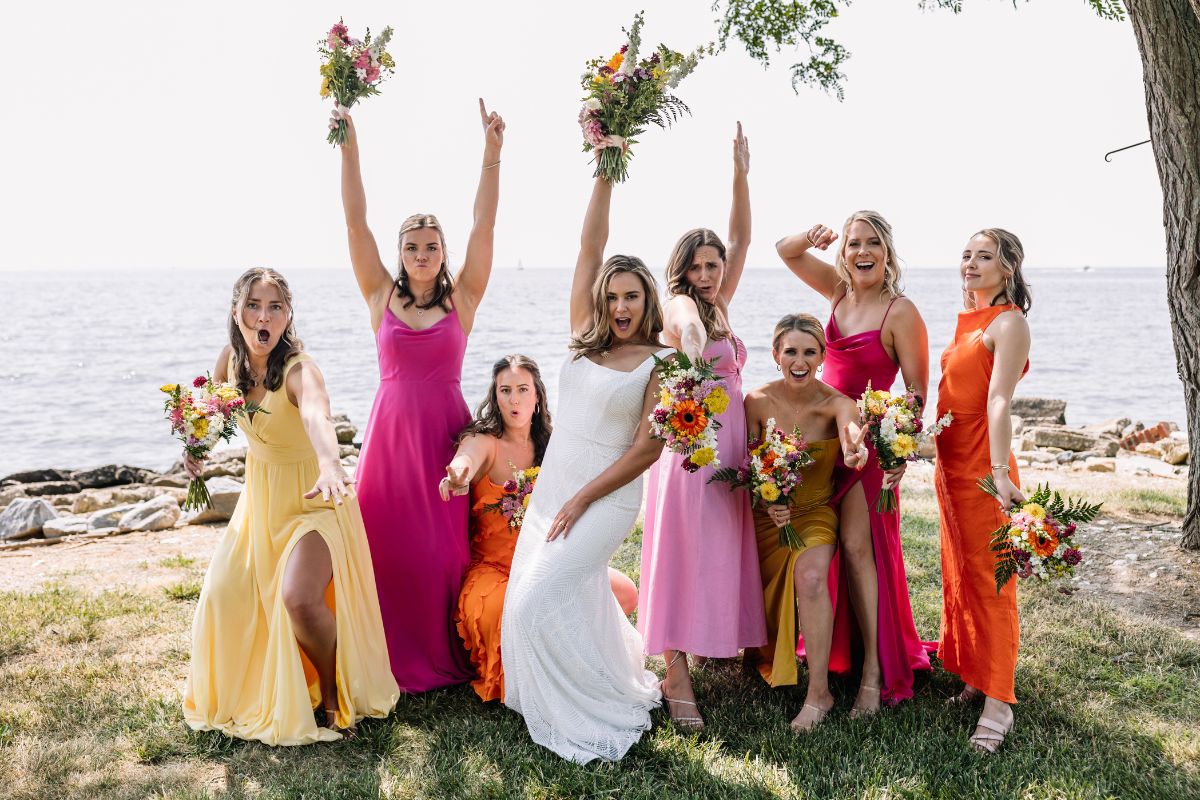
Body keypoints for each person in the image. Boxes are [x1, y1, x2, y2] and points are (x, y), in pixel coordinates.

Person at [183, 268, 398, 744]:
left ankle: (329, 693)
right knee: (220, 594)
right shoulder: (229, 364)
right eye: (254, 306)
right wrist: (195, 452)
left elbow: (317, 415)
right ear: (236, 313)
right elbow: (206, 414)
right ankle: (256, 688)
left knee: (299, 598)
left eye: (275, 307)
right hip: (260, 503)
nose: (264, 316)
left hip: (315, 501)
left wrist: (330, 463)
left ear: (287, 316)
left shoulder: (300, 369)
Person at [501, 162, 671, 763]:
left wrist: (581, 499)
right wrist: (607, 170)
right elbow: (589, 245)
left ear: (647, 298)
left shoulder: (663, 363)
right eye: (612, 295)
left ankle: (590, 705)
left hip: (606, 495)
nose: (620, 305)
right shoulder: (583, 337)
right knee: (552, 596)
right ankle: (587, 678)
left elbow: (648, 449)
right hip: (555, 487)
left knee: (536, 600)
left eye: (632, 295)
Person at [333, 99, 504, 691]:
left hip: (443, 437)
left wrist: (491, 155)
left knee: (441, 550)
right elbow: (357, 224)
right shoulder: (379, 295)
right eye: (413, 247)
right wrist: (348, 143)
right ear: (401, 254)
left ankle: (443, 648)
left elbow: (484, 226)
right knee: (382, 544)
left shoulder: (464, 300)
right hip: (389, 437)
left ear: (443, 253)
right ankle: (379, 655)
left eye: (432, 246)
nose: (422, 255)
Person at [776, 213, 932, 713]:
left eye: (872, 244)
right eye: (852, 244)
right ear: (842, 253)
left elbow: (915, 394)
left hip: (868, 449)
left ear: (887, 252)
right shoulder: (838, 293)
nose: (862, 252)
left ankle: (873, 674)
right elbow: (787, 250)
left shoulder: (900, 311)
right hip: (823, 444)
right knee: (822, 549)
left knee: (859, 550)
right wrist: (812, 235)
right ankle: (836, 655)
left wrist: (897, 452)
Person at [638, 123, 766, 732]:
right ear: (682, 270)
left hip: (731, 448)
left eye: (714, 265)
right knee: (685, 551)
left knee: (719, 547)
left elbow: (741, 238)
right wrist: (690, 352)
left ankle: (720, 641)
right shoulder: (683, 305)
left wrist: (740, 173)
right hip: (694, 447)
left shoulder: (722, 301)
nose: (709, 272)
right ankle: (675, 671)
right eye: (699, 265)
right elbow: (686, 330)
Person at [440, 355, 638, 703]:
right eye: (505, 390)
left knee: (625, 592)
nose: (514, 399)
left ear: (537, 396)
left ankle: (572, 662)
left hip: (543, 563)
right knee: (508, 610)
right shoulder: (486, 441)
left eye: (522, 389)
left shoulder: (554, 444)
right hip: (493, 571)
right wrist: (458, 472)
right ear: (495, 396)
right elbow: (466, 457)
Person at [744, 314, 867, 731]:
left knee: (812, 577)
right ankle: (760, 654)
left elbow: (851, 435)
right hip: (766, 519)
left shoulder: (836, 403)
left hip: (815, 513)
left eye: (809, 352)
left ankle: (820, 693)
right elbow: (746, 466)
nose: (800, 360)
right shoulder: (756, 401)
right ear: (776, 353)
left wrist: (854, 452)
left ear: (822, 355)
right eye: (791, 351)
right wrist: (764, 495)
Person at [936, 228, 1032, 754]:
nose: (971, 263)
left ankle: (999, 703)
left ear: (1008, 267)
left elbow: (998, 400)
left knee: (993, 585)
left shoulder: (1009, 322)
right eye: (966, 254)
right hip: (949, 468)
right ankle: (974, 672)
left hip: (983, 469)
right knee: (962, 574)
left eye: (985, 256)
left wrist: (999, 472)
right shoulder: (968, 320)